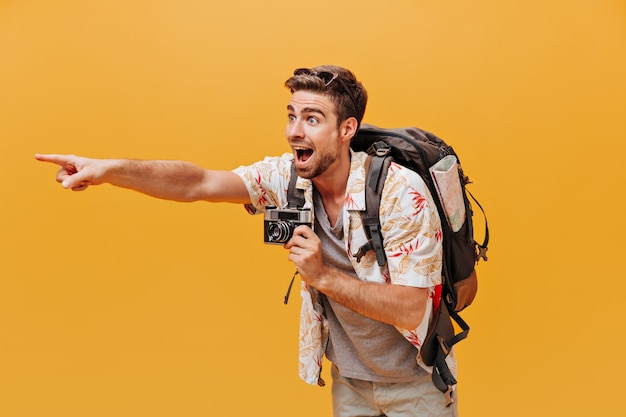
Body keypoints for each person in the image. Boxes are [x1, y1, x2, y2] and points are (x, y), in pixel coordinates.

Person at [36, 65, 458, 417]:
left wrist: (323, 276)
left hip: (416, 382)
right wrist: (110, 170)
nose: (295, 131)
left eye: (312, 119)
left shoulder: (400, 193)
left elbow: (410, 306)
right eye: (291, 115)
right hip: (349, 382)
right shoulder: (286, 177)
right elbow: (197, 182)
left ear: (347, 128)